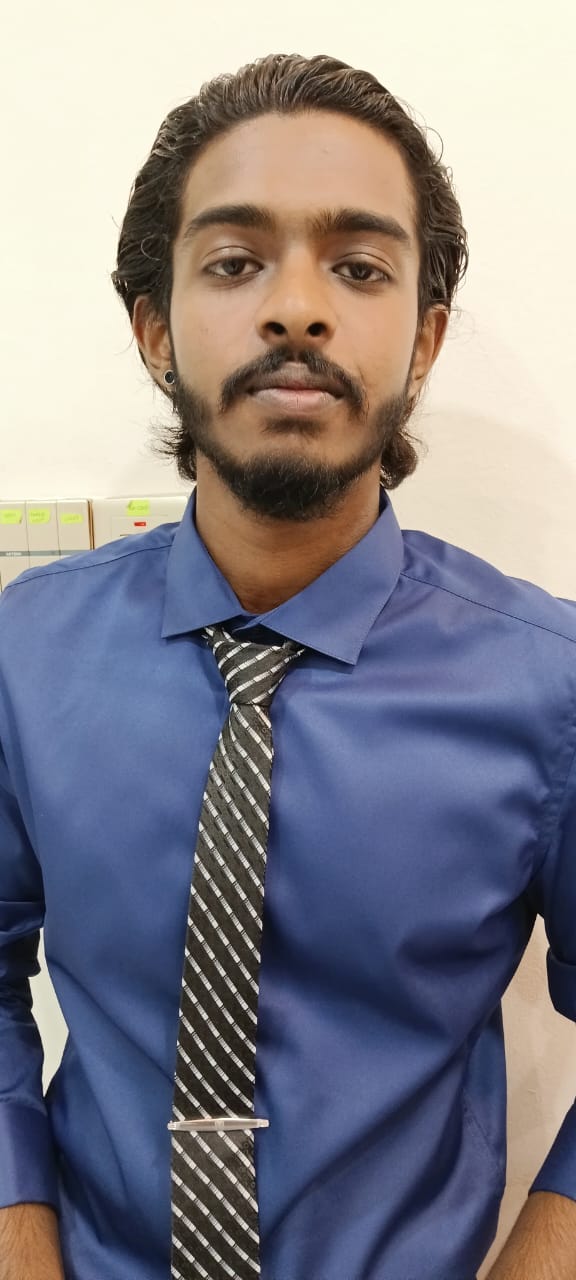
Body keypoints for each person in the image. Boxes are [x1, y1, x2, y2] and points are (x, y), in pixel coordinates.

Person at [0, 50, 575, 1280]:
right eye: (234, 261)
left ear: (423, 340)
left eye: (359, 267)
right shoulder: (23, 654)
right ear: (156, 329)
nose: (298, 309)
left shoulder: (552, 687)